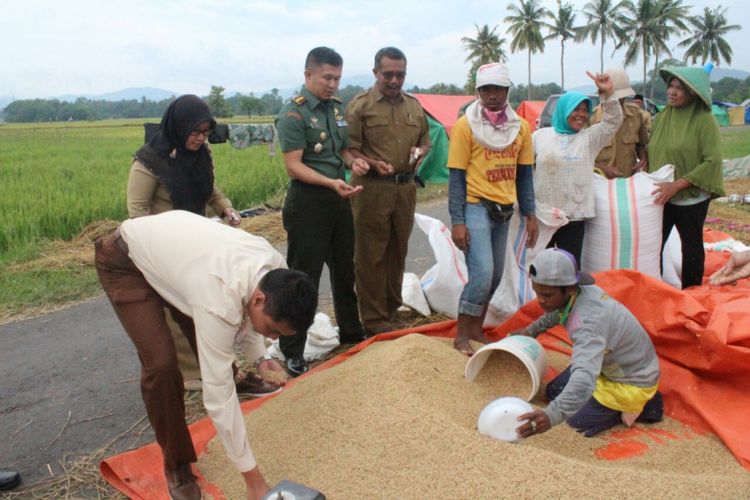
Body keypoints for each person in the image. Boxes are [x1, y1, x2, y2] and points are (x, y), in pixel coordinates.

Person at [95, 210, 317, 500]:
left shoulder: (276, 269)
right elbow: (218, 397)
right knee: (162, 365)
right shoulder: (218, 300)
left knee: (215, 343)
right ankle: (177, 465)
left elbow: (251, 308)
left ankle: (237, 372)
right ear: (260, 299)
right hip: (125, 260)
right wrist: (252, 479)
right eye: (273, 331)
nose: (272, 338)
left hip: (180, 263)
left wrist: (261, 357)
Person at [127, 94, 249, 392]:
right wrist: (148, 252)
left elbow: (210, 191)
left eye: (205, 132)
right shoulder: (149, 161)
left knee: (203, 303)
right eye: (194, 132)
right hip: (163, 247)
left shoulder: (201, 154)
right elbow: (137, 210)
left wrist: (227, 209)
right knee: (174, 309)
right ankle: (189, 372)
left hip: (196, 241)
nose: (200, 138)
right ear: (179, 127)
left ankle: (209, 363)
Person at [275, 47, 368, 376]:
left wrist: (352, 162)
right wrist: (331, 182)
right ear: (308, 75)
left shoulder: (336, 110)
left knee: (345, 270)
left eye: (337, 78)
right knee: (303, 280)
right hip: (308, 203)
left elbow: (341, 149)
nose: (332, 84)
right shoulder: (293, 114)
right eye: (327, 77)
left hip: (337, 200)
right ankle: (293, 351)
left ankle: (352, 334)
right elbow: (293, 166)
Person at [510, 248, 663, 439]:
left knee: (573, 422)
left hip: (631, 381)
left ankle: (646, 405)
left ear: (571, 289)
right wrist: (530, 331)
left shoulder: (588, 324)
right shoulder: (578, 294)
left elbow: (584, 377)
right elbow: (558, 312)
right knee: (554, 392)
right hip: (607, 365)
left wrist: (550, 416)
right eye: (537, 292)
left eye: (547, 295)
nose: (540, 301)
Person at [448, 62, 539, 356]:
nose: (493, 95)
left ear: (507, 91)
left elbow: (525, 175)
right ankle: (462, 334)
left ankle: (477, 329)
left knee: (497, 275)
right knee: (482, 272)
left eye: (498, 89)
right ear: (478, 91)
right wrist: (458, 220)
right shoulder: (466, 126)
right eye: (486, 89)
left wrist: (530, 214)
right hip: (476, 206)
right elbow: (457, 177)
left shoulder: (520, 128)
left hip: (504, 210)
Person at [345, 47, 431, 336]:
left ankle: (391, 309)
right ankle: (373, 319)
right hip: (371, 190)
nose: (394, 80)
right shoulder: (360, 105)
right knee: (371, 255)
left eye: (400, 74)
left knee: (398, 251)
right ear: (375, 73)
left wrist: (420, 151)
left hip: (405, 190)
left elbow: (425, 141)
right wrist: (369, 163)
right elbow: (348, 148)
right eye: (388, 74)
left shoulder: (414, 106)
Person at [532, 71, 623, 266]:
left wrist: (608, 94)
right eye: (576, 109)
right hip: (543, 215)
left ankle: (569, 298)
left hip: (573, 217)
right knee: (539, 266)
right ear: (564, 110)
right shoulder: (540, 136)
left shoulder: (589, 138)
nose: (581, 115)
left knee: (569, 269)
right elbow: (523, 170)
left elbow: (613, 121)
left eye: (585, 110)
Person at [648, 66, 725, 289]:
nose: (672, 91)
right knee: (655, 246)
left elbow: (712, 161)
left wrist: (677, 185)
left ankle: (692, 293)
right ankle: (658, 289)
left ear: (692, 93)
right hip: (663, 195)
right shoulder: (662, 116)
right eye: (670, 86)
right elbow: (656, 145)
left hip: (691, 198)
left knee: (690, 247)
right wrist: (645, 156)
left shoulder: (704, 121)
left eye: (679, 88)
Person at [590, 69, 649, 178]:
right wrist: (603, 168)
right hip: (600, 182)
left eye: (621, 96)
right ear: (602, 92)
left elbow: (642, 145)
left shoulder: (636, 114)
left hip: (628, 181)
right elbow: (581, 155)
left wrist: (643, 159)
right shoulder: (591, 118)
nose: (618, 100)